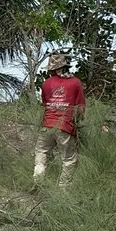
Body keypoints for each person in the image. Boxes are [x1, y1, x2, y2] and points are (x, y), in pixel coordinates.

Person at [33, 53, 86, 188]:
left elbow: (45, 105)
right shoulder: (75, 83)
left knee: (41, 153)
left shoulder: (46, 84)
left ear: (53, 70)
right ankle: (63, 190)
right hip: (64, 126)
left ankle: (38, 178)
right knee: (69, 160)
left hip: (47, 125)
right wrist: (78, 123)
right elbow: (80, 108)